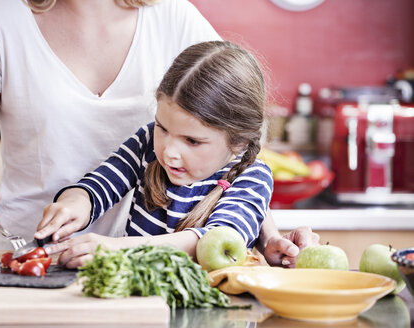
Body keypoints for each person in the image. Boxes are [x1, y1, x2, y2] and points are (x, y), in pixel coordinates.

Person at [0, 0, 318, 265]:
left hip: (134, 272)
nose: (170, 147)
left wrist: (265, 235)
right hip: (19, 257)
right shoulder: (1, 16)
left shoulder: (172, 15)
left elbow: (232, 140)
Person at [35, 41, 280, 268]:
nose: (169, 152)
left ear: (238, 141)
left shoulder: (252, 178)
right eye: (162, 128)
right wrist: (75, 203)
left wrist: (117, 249)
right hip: (138, 304)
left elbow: (213, 240)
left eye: (192, 141)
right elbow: (100, 184)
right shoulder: (146, 142)